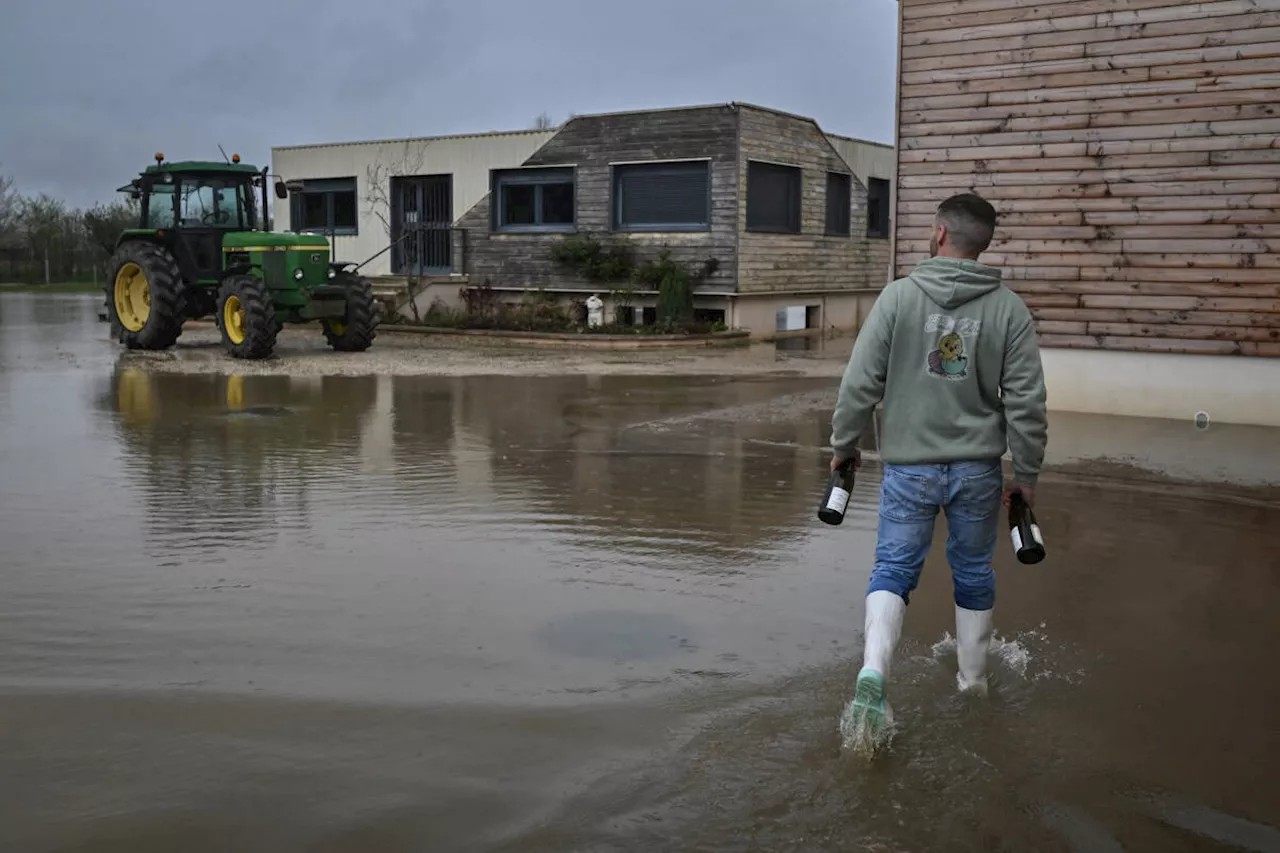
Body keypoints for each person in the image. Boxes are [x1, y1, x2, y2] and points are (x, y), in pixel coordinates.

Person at [829, 192, 1047, 739]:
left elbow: (860, 383)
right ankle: (973, 684)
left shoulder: (897, 298)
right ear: (983, 242)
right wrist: (1026, 474)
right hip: (977, 469)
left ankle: (874, 671)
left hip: (909, 468)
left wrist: (844, 443)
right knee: (973, 572)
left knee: (894, 569)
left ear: (940, 233)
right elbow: (1026, 402)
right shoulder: (1009, 309)